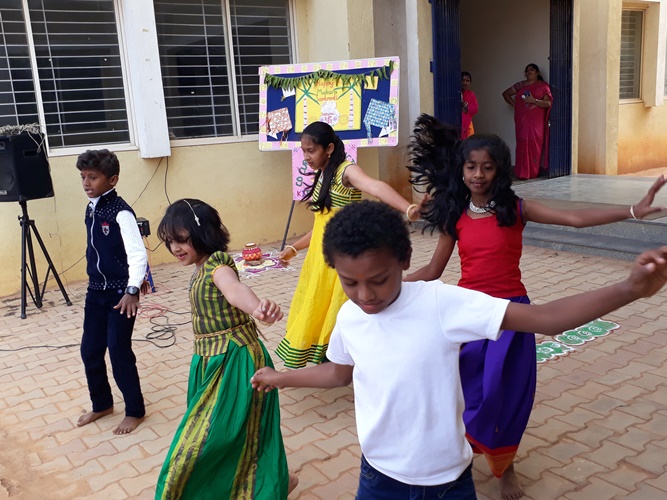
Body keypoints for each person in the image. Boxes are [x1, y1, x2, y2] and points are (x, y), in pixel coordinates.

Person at [251, 200, 667, 500]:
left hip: (446, 482)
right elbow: (339, 372)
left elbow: (546, 319)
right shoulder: (350, 316)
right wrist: (282, 377)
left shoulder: (441, 303)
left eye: (378, 280)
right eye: (350, 282)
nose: (365, 295)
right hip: (378, 477)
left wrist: (629, 289)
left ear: (404, 260)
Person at [404, 114, 666, 500]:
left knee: (505, 396)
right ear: (461, 169)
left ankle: (504, 467)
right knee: (465, 392)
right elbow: (433, 270)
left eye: (487, 167)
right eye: (471, 166)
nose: (478, 175)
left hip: (513, 316)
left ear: (500, 170)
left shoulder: (516, 208)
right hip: (467, 315)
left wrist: (630, 211)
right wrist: (393, 286)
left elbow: (573, 218)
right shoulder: (455, 216)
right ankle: (458, 455)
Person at [154, 199, 297, 499]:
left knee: (212, 437)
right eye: (170, 242)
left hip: (235, 360)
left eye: (182, 239)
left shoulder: (217, 265)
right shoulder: (199, 268)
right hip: (210, 361)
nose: (175, 248)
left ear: (203, 233)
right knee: (228, 432)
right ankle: (270, 482)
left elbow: (234, 290)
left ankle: (270, 483)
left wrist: (257, 308)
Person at [275, 121, 421, 368]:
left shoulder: (347, 171)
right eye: (304, 151)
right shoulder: (323, 174)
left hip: (341, 260)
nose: (306, 157)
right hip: (319, 261)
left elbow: (375, 186)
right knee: (319, 309)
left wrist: (407, 208)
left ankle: (361, 364)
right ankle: (335, 364)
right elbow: (322, 225)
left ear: (329, 148)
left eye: (311, 150)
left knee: (343, 311)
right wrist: (294, 248)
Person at [76, 149, 147, 435]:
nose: (86, 183)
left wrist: (132, 288)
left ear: (112, 179)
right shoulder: (91, 208)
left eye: (93, 177)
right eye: (83, 177)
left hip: (121, 294)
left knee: (118, 350)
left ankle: (135, 410)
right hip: (95, 291)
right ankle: (102, 404)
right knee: (90, 350)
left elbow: (137, 253)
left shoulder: (121, 212)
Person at [502, 63, 552, 180]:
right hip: (522, 120)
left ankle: (533, 172)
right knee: (522, 144)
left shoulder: (543, 86)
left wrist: (534, 101)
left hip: (536, 121)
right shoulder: (520, 85)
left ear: (537, 72)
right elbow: (505, 94)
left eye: (532, 70)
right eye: (527, 70)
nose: (529, 72)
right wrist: (516, 105)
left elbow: (548, 103)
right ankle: (521, 172)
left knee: (535, 144)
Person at [461, 71, 478, 139]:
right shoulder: (453, 94)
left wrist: (467, 107)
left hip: (467, 128)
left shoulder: (471, 94)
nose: (465, 83)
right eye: (463, 80)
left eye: (467, 81)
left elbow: (475, 109)